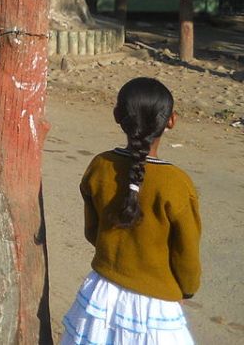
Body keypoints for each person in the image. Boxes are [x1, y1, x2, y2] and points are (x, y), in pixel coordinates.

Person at [60, 77, 201, 344]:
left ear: (117, 116)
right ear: (172, 120)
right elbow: (187, 255)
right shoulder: (178, 183)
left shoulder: (100, 166)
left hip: (101, 295)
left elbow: (93, 232)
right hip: (157, 305)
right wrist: (187, 290)